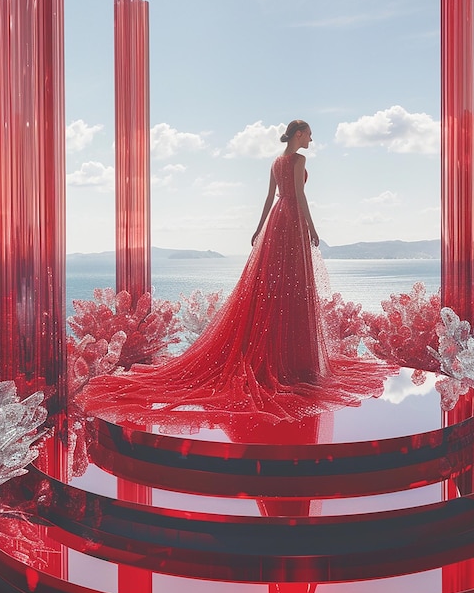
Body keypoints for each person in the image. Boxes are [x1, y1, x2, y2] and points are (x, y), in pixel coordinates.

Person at [78, 120, 391, 430]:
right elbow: (298, 196)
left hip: (275, 222)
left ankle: (286, 359)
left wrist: (259, 229)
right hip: (292, 220)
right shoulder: (298, 160)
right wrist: (311, 228)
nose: (311, 138)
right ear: (298, 135)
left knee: (274, 287)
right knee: (291, 288)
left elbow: (270, 199)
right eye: (309, 133)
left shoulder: (276, 162)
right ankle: (295, 365)